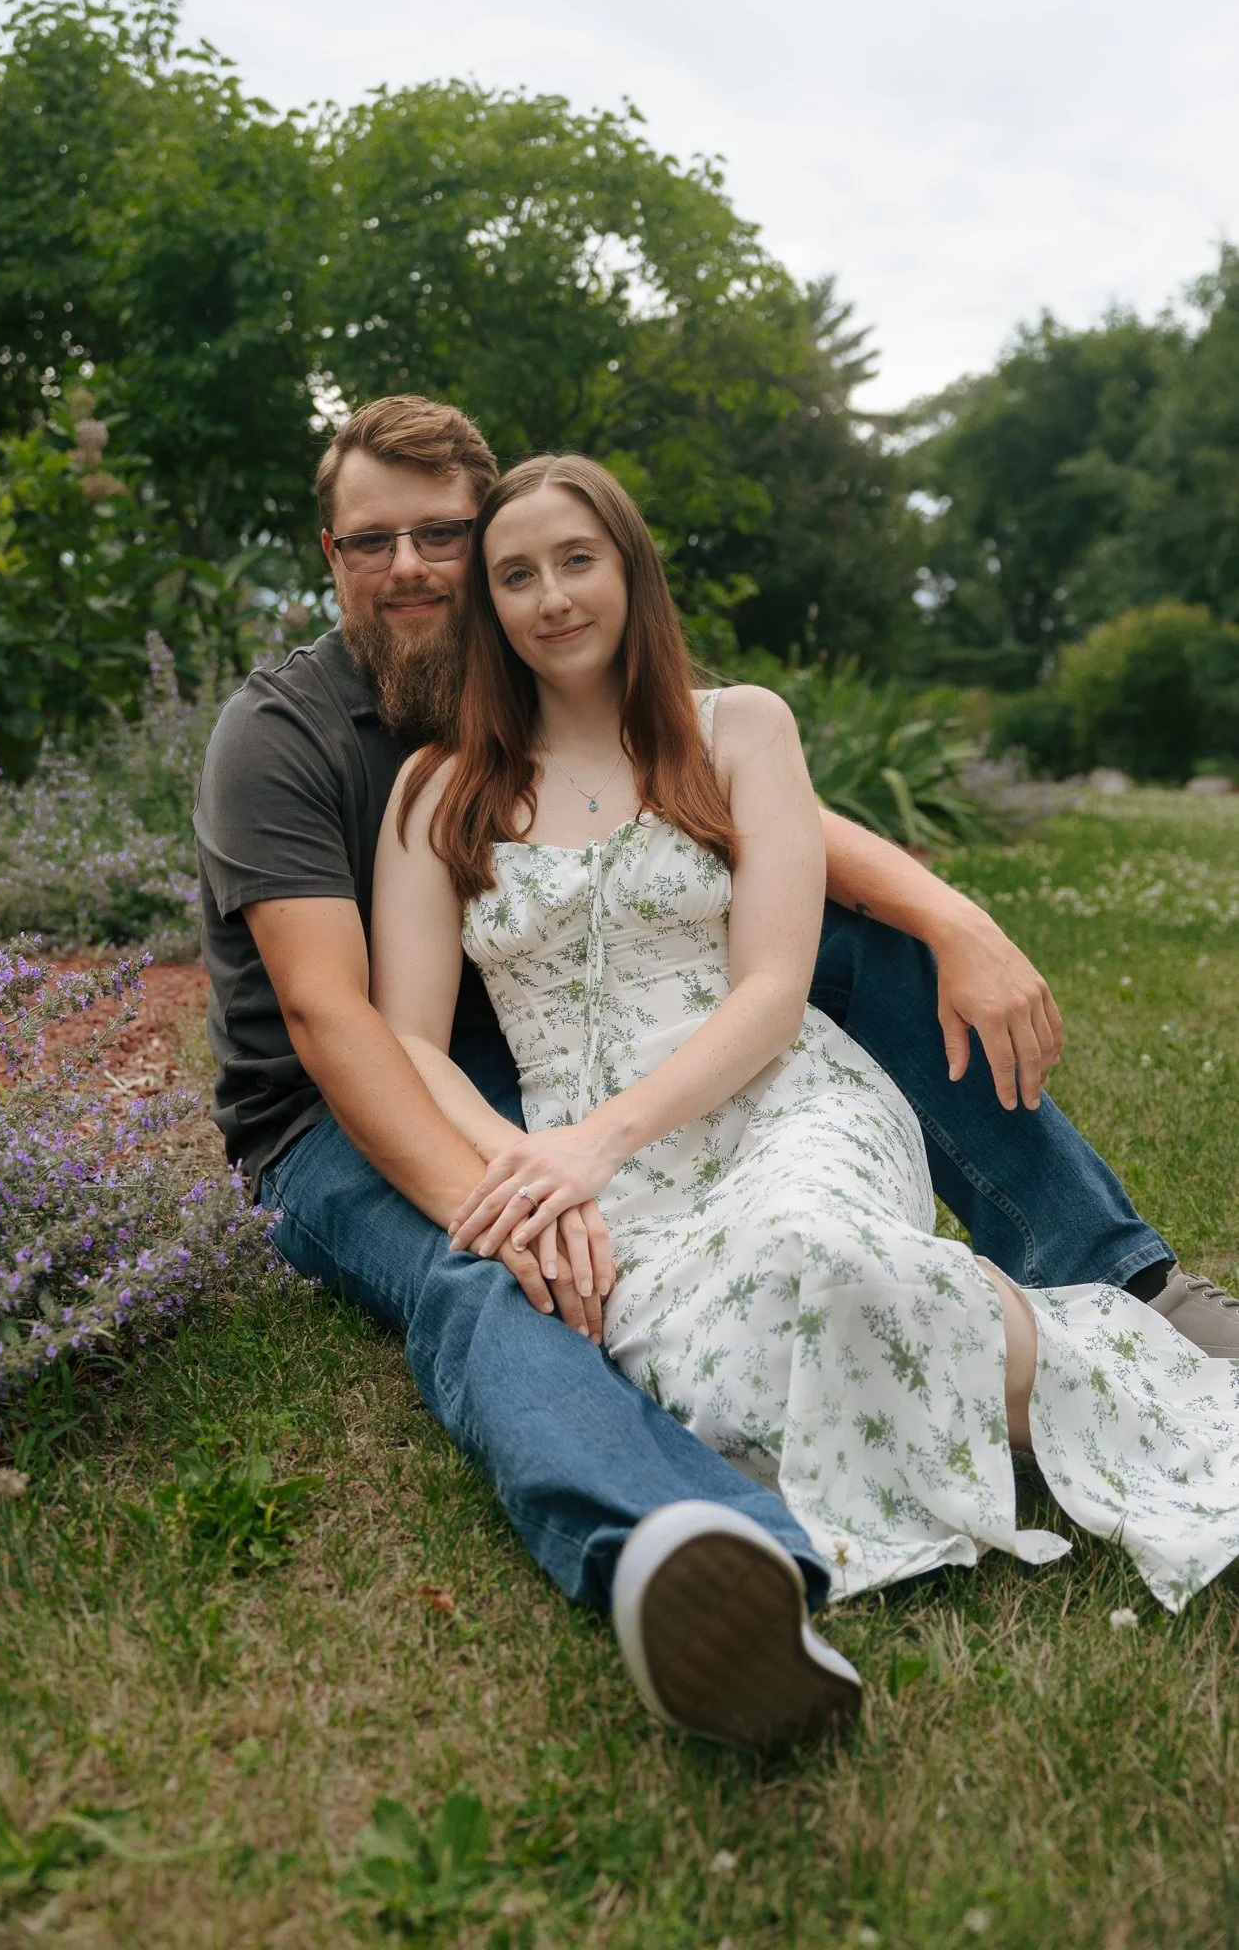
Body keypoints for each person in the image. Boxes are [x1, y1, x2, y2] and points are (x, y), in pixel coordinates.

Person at [193, 396, 1238, 1751]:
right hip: (346, 1115)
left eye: (445, 536)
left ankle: (1126, 1281)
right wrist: (517, 1185)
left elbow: (744, 811)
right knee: (493, 1270)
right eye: (371, 540)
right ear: (328, 553)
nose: (410, 568)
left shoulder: (617, 689)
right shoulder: (290, 737)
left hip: (600, 1073)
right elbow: (349, 1034)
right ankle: (690, 1551)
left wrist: (953, 914)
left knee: (860, 960)